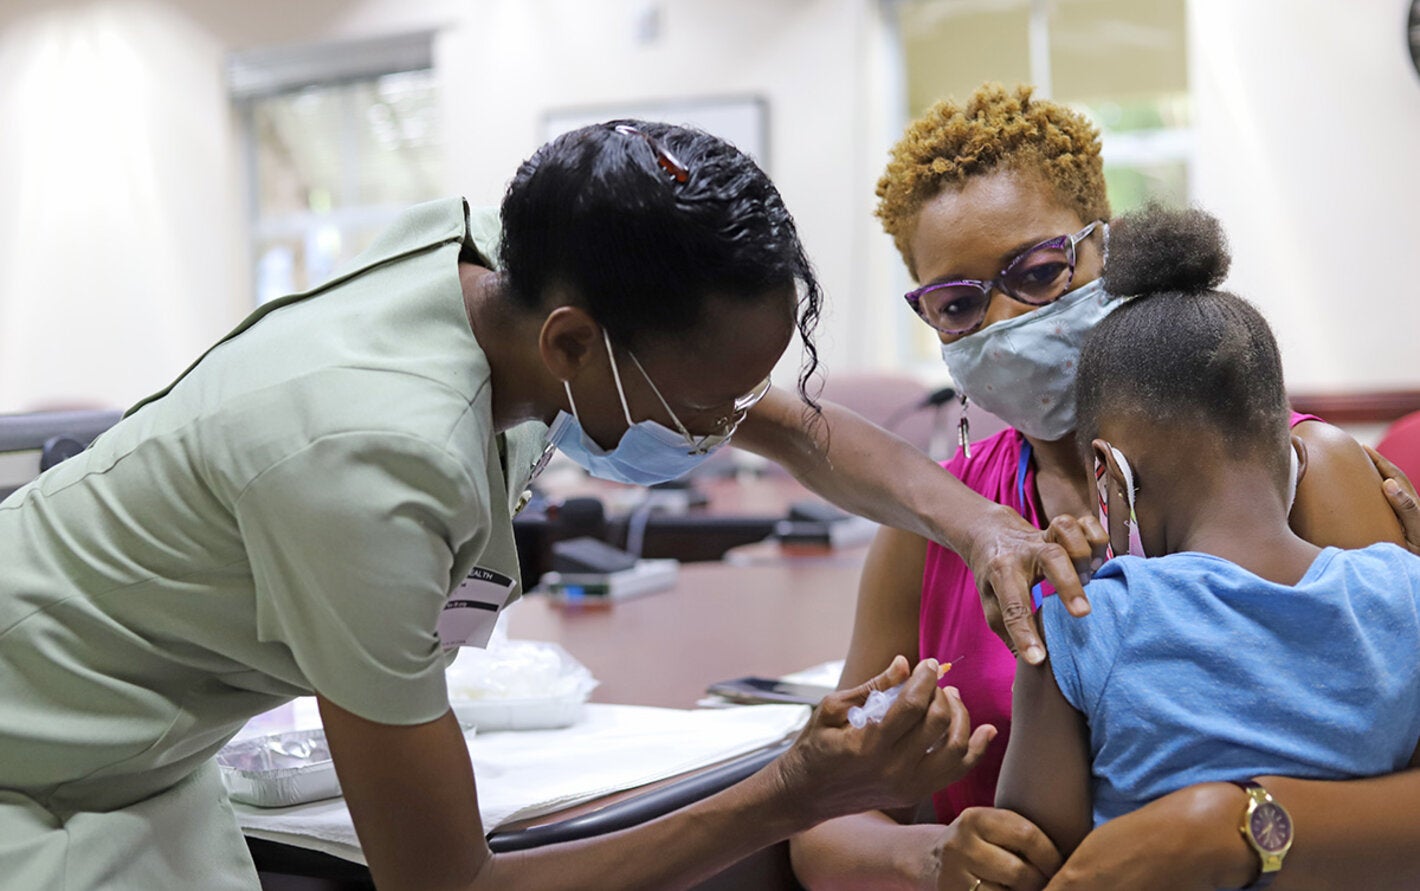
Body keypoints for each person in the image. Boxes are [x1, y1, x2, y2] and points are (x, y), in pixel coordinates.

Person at [0, 120, 1005, 891]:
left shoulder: (506, 267)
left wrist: (984, 528)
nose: (718, 430)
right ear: (570, 346)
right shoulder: (369, 465)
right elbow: (448, 883)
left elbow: (793, 430)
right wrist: (793, 793)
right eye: (699, 407)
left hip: (143, 755)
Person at [790, 84, 1420, 891]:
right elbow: (823, 811)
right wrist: (931, 855)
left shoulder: (1306, 470)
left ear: (1108, 250)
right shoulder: (935, 521)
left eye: (1042, 272)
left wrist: (1226, 826)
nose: (1005, 322)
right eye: (957, 304)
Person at [996, 203, 1420, 890]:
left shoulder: (1082, 623)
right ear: (1291, 451)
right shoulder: (1405, 591)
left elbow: (1029, 853)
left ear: (1107, 476)